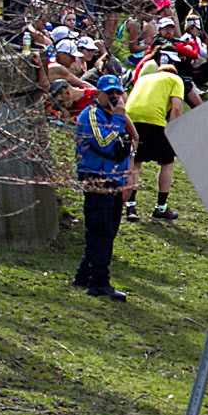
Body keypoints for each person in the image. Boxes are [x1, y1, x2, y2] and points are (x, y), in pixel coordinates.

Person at [72, 75, 134, 301]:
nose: (115, 97)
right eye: (110, 93)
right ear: (98, 94)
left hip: (114, 181)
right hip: (97, 179)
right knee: (101, 231)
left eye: (118, 93)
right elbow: (104, 142)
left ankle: (84, 275)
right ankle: (98, 282)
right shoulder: (91, 115)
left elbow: (124, 148)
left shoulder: (113, 116)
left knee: (108, 230)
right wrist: (119, 119)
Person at [122, 53, 199, 222]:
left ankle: (131, 207)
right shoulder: (175, 80)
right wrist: (173, 133)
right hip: (153, 120)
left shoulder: (144, 79)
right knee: (167, 162)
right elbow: (177, 109)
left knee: (135, 161)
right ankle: (161, 208)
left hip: (131, 117)